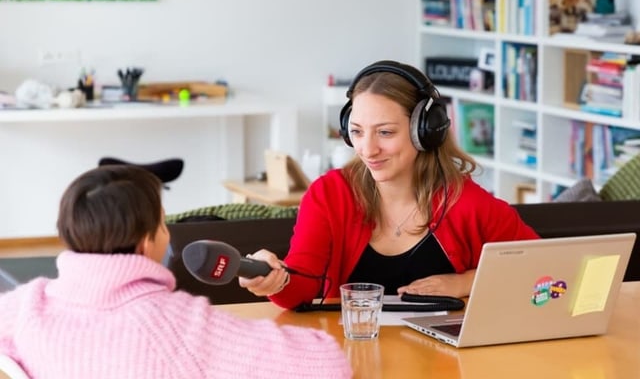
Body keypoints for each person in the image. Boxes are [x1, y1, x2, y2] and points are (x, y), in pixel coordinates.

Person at [0, 165, 351, 379]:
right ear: (147, 241)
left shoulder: (26, 308)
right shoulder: (181, 327)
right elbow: (327, 365)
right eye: (163, 223)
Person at [240, 60, 539, 310]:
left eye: (384, 132)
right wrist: (275, 279)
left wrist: (464, 282)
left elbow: (541, 270)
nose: (368, 149)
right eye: (357, 132)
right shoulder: (329, 195)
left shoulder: (466, 202)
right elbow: (301, 286)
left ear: (425, 131)